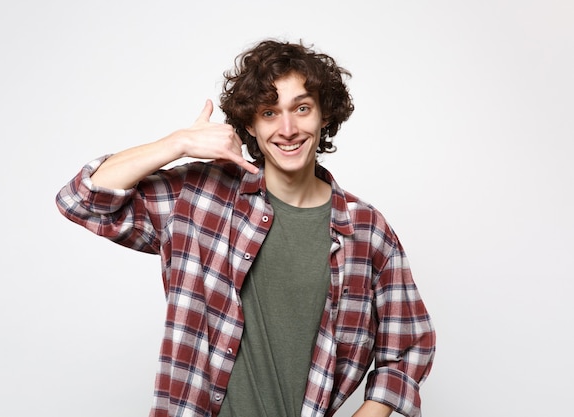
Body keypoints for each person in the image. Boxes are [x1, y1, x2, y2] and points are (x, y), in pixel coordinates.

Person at [56, 39, 436, 417]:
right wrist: (179, 143)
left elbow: (407, 347)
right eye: (269, 113)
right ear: (250, 125)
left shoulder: (365, 229)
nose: (287, 128)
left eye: (301, 108)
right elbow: (82, 200)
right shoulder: (200, 195)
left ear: (324, 115)